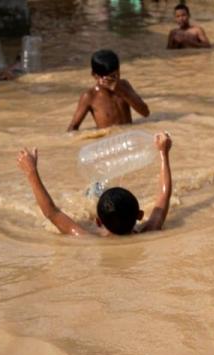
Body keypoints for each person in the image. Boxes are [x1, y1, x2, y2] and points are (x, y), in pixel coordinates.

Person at [16, 132, 172, 236]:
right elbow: (164, 195)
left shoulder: (86, 237)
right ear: (140, 215)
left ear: (98, 221)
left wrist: (31, 171)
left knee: (94, 190)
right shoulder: (150, 230)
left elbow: (52, 213)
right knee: (96, 189)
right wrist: (163, 153)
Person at [67, 49, 150, 131]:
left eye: (116, 75)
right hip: (109, 140)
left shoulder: (124, 85)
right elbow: (73, 128)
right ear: (95, 76)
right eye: (109, 78)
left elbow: (145, 113)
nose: (114, 80)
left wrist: (122, 91)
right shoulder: (90, 96)